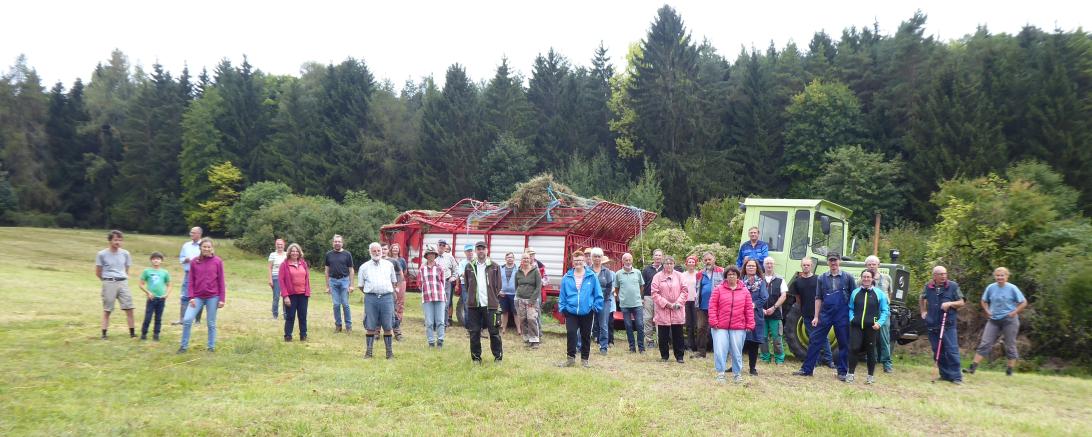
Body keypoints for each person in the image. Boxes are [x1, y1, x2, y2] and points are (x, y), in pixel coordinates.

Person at [794, 252, 856, 379]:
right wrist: (816, 316)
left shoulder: (848, 277)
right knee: (815, 340)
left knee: (843, 343)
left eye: (835, 260)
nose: (833, 263)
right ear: (828, 262)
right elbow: (818, 298)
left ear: (839, 261)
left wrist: (851, 316)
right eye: (831, 260)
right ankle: (807, 369)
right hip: (825, 313)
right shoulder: (822, 278)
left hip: (842, 314)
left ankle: (842, 372)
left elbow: (853, 298)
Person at [967, 267, 1028, 376]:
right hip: (994, 320)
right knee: (985, 343)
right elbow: (984, 300)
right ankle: (972, 368)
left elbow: (1023, 302)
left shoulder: (1012, 288)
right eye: (998, 275)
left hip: (1009, 320)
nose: (1000, 277)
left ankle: (1009, 370)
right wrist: (987, 310)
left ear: (1007, 276)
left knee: (1010, 345)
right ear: (995, 276)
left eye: (1002, 275)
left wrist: (1015, 312)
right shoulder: (991, 287)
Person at [178, 237, 226, 353]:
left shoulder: (218, 261)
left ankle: (211, 347)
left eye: (209, 247)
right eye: (204, 247)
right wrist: (191, 297)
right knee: (188, 319)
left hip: (213, 297)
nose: (206, 249)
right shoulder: (194, 261)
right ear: (200, 247)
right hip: (197, 297)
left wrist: (222, 299)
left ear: (212, 248)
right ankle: (183, 346)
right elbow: (191, 281)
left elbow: (221, 281)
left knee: (211, 323)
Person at [557, 250, 603, 368]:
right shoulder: (567, 277)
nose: (578, 263)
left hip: (587, 311)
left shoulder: (591, 276)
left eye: (580, 261)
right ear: (573, 262)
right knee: (571, 333)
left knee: (586, 335)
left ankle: (584, 360)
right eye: (576, 261)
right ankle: (570, 359)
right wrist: (563, 309)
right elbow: (562, 295)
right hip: (571, 311)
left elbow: (598, 294)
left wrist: (594, 308)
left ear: (584, 262)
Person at [708, 266, 754, 383]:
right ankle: (720, 373)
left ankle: (737, 374)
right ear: (725, 276)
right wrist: (714, 322)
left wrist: (750, 324)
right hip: (720, 326)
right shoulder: (718, 289)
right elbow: (712, 307)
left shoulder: (744, 291)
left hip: (738, 326)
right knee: (720, 350)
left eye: (733, 274)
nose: (731, 276)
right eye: (729, 274)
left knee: (737, 351)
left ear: (738, 276)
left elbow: (748, 308)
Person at [921, 266, 965, 384]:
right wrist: (923, 311)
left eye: (945, 274)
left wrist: (950, 303)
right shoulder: (928, 286)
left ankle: (956, 377)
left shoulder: (953, 286)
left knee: (952, 350)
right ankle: (945, 375)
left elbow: (961, 302)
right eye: (940, 274)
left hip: (948, 324)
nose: (944, 276)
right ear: (934, 276)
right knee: (938, 350)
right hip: (932, 324)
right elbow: (922, 298)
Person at [846, 271, 890, 384]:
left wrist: (879, 323)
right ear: (861, 278)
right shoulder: (855, 292)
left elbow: (885, 310)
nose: (866, 279)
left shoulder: (879, 293)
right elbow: (850, 308)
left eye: (868, 277)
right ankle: (850, 374)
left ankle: (870, 376)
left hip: (872, 327)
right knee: (854, 348)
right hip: (856, 326)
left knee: (871, 351)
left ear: (872, 279)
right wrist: (851, 318)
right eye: (864, 277)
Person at [463, 241, 503, 364]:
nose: (481, 251)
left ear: (487, 250)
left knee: (494, 332)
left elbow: (498, 285)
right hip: (474, 305)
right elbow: (467, 284)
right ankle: (476, 358)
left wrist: (492, 297)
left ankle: (498, 357)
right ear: (475, 251)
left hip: (490, 305)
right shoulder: (469, 266)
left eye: (483, 249)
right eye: (478, 249)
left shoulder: (495, 266)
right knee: (474, 332)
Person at [788, 258, 833, 367]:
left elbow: (824, 295)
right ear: (801, 266)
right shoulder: (797, 282)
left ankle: (829, 359)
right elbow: (798, 299)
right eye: (804, 265)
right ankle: (816, 360)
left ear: (811, 266)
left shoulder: (819, 279)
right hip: (807, 313)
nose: (806, 267)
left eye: (808, 265)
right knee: (813, 337)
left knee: (823, 336)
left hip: (820, 313)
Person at [358, 242, 398, 359]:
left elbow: (394, 281)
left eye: (378, 251)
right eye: (374, 251)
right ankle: (369, 352)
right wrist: (371, 293)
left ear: (382, 251)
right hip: (371, 298)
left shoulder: (389, 265)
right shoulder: (364, 267)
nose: (376, 253)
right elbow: (361, 285)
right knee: (370, 325)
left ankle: (389, 353)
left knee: (388, 325)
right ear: (370, 252)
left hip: (386, 298)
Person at [96, 230, 135, 339]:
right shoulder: (101, 254)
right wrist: (106, 281)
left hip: (122, 282)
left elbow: (127, 269)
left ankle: (132, 333)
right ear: (110, 241)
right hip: (109, 282)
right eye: (115, 240)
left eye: (120, 240)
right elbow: (98, 272)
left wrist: (123, 278)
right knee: (108, 309)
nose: (118, 242)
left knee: (129, 307)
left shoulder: (125, 253)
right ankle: (104, 333)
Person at [652, 256, 689, 363]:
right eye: (666, 263)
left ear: (674, 264)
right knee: (663, 335)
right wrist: (666, 304)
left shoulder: (680, 276)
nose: (669, 265)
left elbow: (685, 291)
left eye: (671, 263)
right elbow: (654, 293)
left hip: (677, 309)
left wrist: (678, 303)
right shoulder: (657, 276)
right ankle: (664, 356)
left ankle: (680, 356)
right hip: (663, 309)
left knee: (678, 334)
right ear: (663, 265)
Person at [862, 255, 895, 373]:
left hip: (883, 312)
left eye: (874, 264)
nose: (871, 266)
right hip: (870, 311)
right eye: (869, 264)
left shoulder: (887, 278)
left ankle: (887, 364)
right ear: (866, 266)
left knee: (884, 338)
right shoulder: (864, 279)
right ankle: (873, 361)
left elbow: (889, 294)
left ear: (878, 265)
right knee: (871, 337)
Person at [740, 259, 768, 375]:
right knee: (738, 342)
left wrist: (754, 304)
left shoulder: (761, 282)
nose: (750, 268)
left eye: (753, 266)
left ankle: (752, 368)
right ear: (745, 268)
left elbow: (764, 297)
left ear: (757, 268)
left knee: (754, 343)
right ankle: (736, 366)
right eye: (748, 266)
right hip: (741, 315)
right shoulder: (740, 282)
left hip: (755, 315)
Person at [278, 243, 311, 342]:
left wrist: (307, 292)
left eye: (296, 251)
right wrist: (285, 296)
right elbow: (281, 281)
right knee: (290, 316)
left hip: (303, 295)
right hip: (290, 295)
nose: (295, 253)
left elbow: (307, 279)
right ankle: (288, 336)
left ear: (299, 252)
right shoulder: (284, 265)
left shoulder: (303, 263)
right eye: (292, 251)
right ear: (289, 252)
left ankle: (303, 336)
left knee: (303, 316)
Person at [614, 253, 646, 353]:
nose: (628, 262)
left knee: (640, 325)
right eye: (626, 260)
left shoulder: (637, 272)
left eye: (629, 260)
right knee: (628, 326)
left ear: (632, 260)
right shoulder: (618, 274)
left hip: (637, 304)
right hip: (625, 305)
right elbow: (616, 288)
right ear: (623, 261)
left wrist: (638, 296)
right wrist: (621, 298)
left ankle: (641, 347)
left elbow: (641, 286)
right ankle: (632, 347)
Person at [324, 235, 355, 333]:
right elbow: (326, 271)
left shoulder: (347, 254)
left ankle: (348, 326)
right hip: (333, 282)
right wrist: (327, 286)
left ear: (342, 243)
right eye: (335, 241)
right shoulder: (328, 254)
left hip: (344, 281)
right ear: (333, 243)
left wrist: (351, 285)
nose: (337, 243)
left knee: (345, 304)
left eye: (339, 241)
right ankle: (338, 325)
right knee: (336, 305)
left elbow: (351, 270)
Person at [694, 252, 722, 358]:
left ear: (714, 259)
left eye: (709, 259)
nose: (707, 262)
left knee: (718, 329)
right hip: (702, 306)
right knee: (701, 328)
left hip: (718, 306)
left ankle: (719, 352)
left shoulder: (722, 271)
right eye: (705, 260)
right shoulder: (699, 274)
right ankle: (701, 352)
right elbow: (696, 289)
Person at [418, 244, 447, 349]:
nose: (431, 256)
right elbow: (419, 283)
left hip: (439, 296)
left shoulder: (440, 268)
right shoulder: (422, 268)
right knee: (429, 322)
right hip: (427, 297)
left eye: (432, 254)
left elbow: (443, 282)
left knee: (440, 321)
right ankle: (431, 342)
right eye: (428, 254)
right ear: (426, 256)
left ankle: (440, 341)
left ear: (435, 255)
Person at [760, 257, 788, 365]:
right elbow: (754, 296)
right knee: (762, 338)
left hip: (775, 314)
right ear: (763, 265)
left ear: (774, 265)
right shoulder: (759, 278)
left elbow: (784, 295)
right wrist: (760, 309)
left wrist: (774, 307)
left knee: (777, 339)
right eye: (767, 263)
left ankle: (779, 359)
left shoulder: (780, 279)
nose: (769, 265)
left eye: (771, 263)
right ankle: (765, 358)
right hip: (761, 314)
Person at [138, 251, 171, 341]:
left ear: (161, 261)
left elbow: (169, 285)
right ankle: (144, 334)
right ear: (151, 260)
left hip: (161, 299)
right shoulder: (147, 271)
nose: (156, 261)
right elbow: (141, 284)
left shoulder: (165, 272)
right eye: (154, 259)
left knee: (158, 317)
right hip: (151, 299)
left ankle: (156, 334)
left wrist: (166, 294)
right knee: (148, 317)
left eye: (158, 259)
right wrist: (148, 292)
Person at [588, 248, 616, 355]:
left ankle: (603, 347)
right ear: (591, 258)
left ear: (601, 258)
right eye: (595, 256)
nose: (597, 258)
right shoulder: (587, 271)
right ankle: (581, 345)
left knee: (603, 324)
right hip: (589, 301)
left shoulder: (607, 272)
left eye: (599, 256)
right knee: (586, 324)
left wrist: (601, 299)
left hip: (604, 301)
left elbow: (609, 287)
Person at [174, 227, 203, 325]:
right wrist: (184, 260)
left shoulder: (204, 246)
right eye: (191, 232)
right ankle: (182, 319)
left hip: (200, 274)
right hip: (188, 274)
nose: (191, 234)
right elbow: (181, 258)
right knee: (185, 295)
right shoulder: (186, 245)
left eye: (193, 233)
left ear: (199, 234)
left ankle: (197, 321)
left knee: (199, 296)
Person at [515, 253, 543, 349]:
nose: (526, 260)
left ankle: (535, 340)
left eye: (527, 258)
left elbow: (538, 286)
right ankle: (527, 338)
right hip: (521, 300)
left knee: (531, 319)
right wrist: (519, 296)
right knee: (523, 319)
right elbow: (516, 285)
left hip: (532, 300)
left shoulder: (535, 271)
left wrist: (532, 299)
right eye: (524, 258)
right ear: (521, 260)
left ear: (530, 259)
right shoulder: (518, 272)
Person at [641, 249, 665, 350]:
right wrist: (642, 297)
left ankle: (661, 340)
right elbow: (642, 285)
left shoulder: (665, 268)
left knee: (660, 319)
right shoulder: (646, 269)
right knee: (647, 319)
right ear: (653, 257)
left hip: (661, 297)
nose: (658, 257)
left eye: (660, 255)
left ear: (662, 257)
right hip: (648, 297)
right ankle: (649, 340)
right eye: (656, 255)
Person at [388, 243, 409, 341]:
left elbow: (404, 272)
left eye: (397, 248)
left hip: (400, 281)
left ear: (399, 250)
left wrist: (399, 282)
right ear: (391, 250)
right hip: (390, 282)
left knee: (400, 301)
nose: (395, 250)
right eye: (393, 248)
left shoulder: (402, 260)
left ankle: (398, 319)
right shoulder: (387, 259)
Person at [436, 240, 460, 327]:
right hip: (435, 283)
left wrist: (453, 277)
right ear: (437, 246)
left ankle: (444, 323)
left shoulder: (450, 257)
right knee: (435, 302)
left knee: (446, 304)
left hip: (446, 282)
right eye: (440, 245)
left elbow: (456, 268)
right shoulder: (432, 255)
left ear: (445, 246)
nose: (442, 246)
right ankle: (435, 322)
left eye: (443, 245)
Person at [498, 252, 518, 336]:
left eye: (511, 257)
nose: (510, 259)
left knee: (516, 312)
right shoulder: (500, 268)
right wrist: (499, 291)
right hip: (503, 294)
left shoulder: (518, 269)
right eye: (508, 257)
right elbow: (496, 281)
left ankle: (519, 330)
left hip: (514, 294)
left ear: (514, 259)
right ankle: (503, 329)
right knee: (504, 312)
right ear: (505, 259)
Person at [683, 255, 700, 353]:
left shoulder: (698, 274)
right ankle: (689, 345)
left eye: (693, 262)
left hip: (696, 301)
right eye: (689, 262)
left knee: (697, 325)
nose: (691, 263)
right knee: (688, 325)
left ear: (695, 263)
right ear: (686, 263)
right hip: (685, 302)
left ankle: (697, 346)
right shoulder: (683, 275)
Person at [456, 243, 475, 327]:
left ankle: (477, 324)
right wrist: (472, 273)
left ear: (473, 251)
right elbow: (461, 274)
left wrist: (467, 273)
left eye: (471, 251)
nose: (470, 252)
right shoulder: (462, 263)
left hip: (475, 285)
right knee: (467, 304)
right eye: (468, 251)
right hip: (465, 285)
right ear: (465, 252)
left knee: (477, 305)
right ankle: (468, 325)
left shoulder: (477, 261)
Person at [267, 239, 286, 320]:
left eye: (281, 244)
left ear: (284, 245)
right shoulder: (272, 255)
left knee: (286, 296)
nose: (279, 246)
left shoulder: (287, 254)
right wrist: (270, 279)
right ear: (275, 245)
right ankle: (275, 315)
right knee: (276, 297)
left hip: (285, 278)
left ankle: (286, 315)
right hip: (276, 277)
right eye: (278, 244)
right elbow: (269, 268)